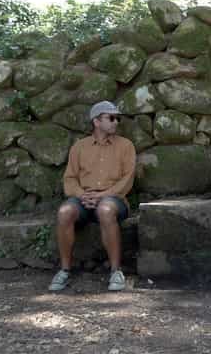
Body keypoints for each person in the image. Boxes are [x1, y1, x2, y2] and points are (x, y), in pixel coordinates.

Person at [48, 101, 136, 292]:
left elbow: (127, 180)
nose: (116, 122)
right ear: (96, 121)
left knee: (105, 210)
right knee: (64, 212)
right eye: (111, 118)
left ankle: (115, 272)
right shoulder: (79, 147)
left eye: (117, 118)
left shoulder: (126, 146)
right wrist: (82, 195)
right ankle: (64, 270)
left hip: (113, 199)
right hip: (83, 199)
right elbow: (69, 179)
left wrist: (103, 195)